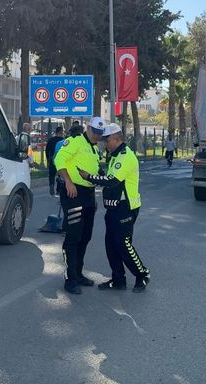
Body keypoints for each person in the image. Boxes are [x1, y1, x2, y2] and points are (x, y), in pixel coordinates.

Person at [78, 123, 150, 293]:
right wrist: (97, 173)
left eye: (107, 140)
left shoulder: (126, 156)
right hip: (112, 208)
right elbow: (109, 178)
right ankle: (118, 280)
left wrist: (90, 177)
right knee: (111, 245)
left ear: (117, 139)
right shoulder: (114, 156)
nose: (104, 143)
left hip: (125, 207)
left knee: (123, 244)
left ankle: (142, 274)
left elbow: (112, 181)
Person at [54, 117, 104, 295]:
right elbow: (59, 160)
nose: (97, 136)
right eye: (95, 132)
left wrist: (93, 197)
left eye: (100, 134)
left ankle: (78, 273)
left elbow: (94, 170)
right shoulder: (74, 142)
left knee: (85, 236)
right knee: (73, 236)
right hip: (73, 194)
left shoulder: (95, 148)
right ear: (88, 128)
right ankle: (70, 278)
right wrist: (68, 181)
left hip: (88, 195)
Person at [46, 126, 65, 196]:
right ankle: (58, 190)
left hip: (52, 160)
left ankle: (51, 185)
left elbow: (47, 150)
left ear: (56, 132)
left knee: (51, 175)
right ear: (61, 132)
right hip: (61, 161)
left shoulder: (51, 140)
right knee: (61, 175)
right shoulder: (64, 141)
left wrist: (48, 159)